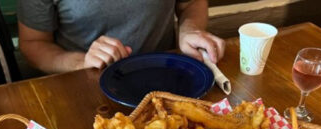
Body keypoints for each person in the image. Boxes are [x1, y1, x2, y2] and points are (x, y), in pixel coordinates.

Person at [17, 0, 225, 74]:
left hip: (165, 76)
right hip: (86, 84)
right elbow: (33, 44)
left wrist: (190, 29)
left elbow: (190, 3)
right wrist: (81, 62)